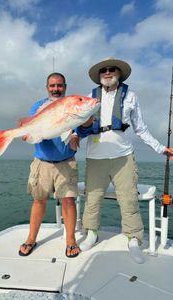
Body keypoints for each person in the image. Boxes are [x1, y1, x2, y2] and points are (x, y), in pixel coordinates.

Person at [74, 57, 173, 263]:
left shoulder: (131, 96)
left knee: (129, 200)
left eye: (112, 70)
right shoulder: (88, 98)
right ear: (99, 76)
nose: (107, 73)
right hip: (95, 158)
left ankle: (134, 238)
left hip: (124, 157)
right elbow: (80, 128)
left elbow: (141, 128)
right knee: (92, 200)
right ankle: (91, 233)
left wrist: (161, 149)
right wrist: (74, 135)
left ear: (119, 74)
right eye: (103, 71)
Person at [18, 72, 81, 258]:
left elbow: (76, 131)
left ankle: (70, 241)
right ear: (47, 88)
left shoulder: (73, 106)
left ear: (65, 87)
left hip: (66, 162)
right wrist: (27, 135)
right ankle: (31, 239)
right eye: (52, 86)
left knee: (68, 201)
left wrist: (75, 137)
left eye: (59, 85)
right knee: (38, 201)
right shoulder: (38, 106)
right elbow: (31, 130)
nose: (56, 89)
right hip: (42, 162)